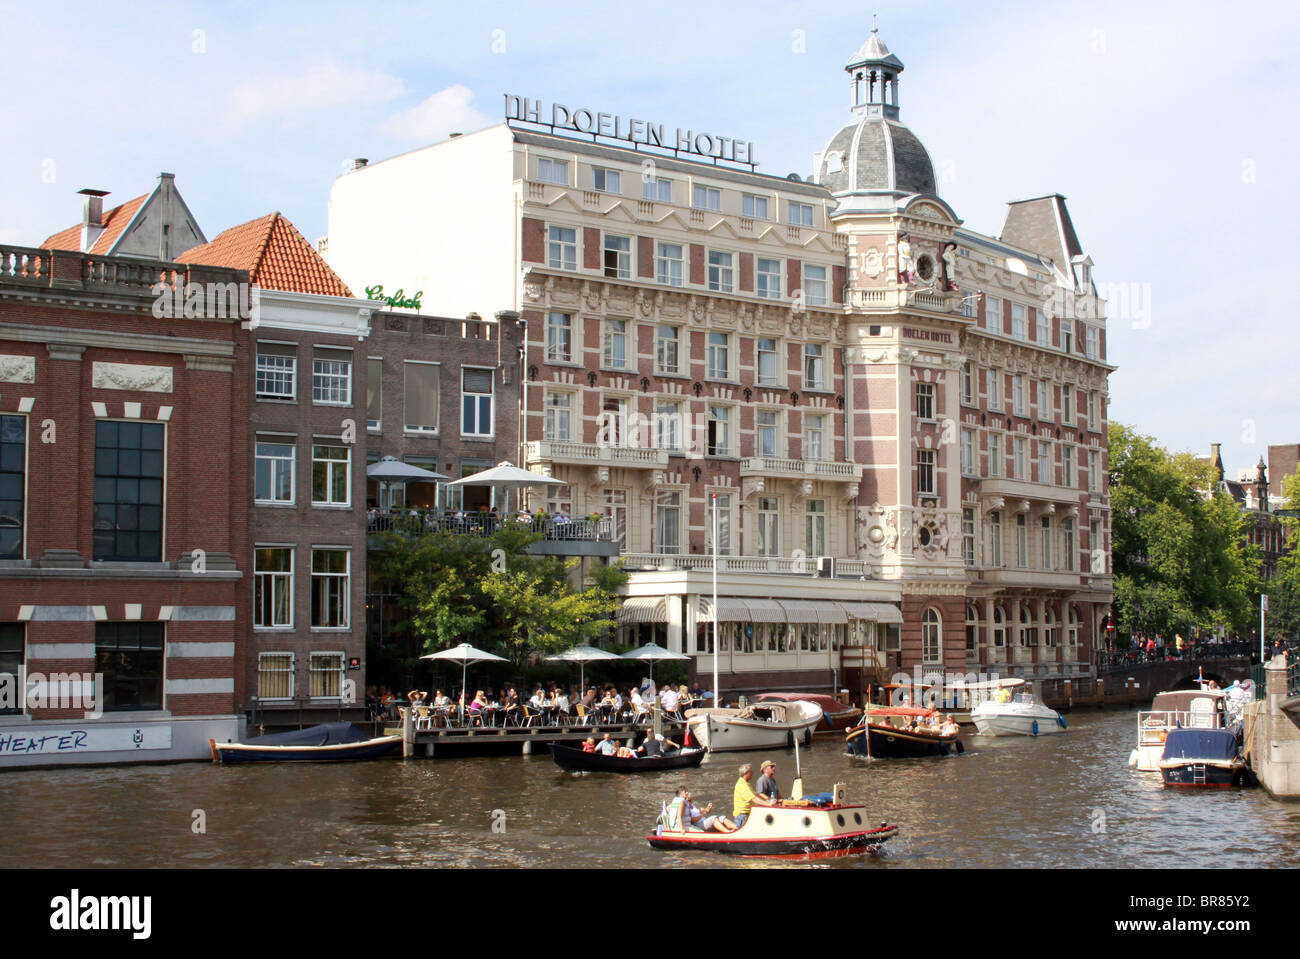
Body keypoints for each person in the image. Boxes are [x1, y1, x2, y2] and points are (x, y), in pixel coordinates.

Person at [732, 763, 774, 828]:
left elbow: (756, 795)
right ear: (746, 773)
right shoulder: (742, 785)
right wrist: (768, 804)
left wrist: (768, 801)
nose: (752, 773)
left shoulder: (746, 783)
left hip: (747, 814)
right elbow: (753, 798)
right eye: (751, 772)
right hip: (742, 816)